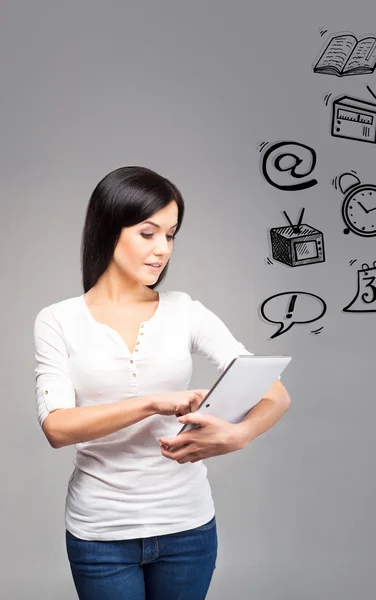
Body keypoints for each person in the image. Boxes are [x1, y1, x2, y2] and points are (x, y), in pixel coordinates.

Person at [33, 165, 291, 600]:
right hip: (101, 533)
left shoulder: (185, 311)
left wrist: (237, 435)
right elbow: (57, 428)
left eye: (170, 235)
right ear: (109, 229)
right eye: (148, 233)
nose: (162, 250)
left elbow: (275, 392)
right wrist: (152, 403)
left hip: (187, 529)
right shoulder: (58, 320)